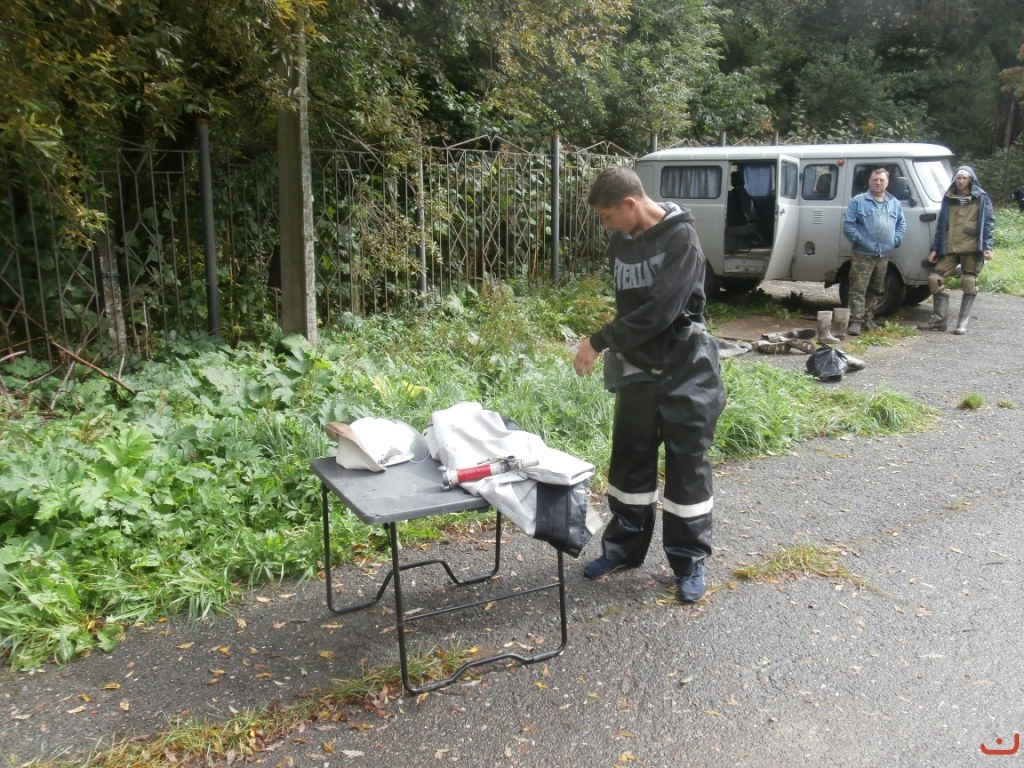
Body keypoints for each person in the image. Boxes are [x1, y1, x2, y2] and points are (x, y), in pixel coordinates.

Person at [572, 166, 726, 603]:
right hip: (637, 367)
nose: (606, 226)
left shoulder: (682, 240)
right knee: (630, 463)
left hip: (686, 365)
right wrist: (618, 344)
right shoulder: (620, 242)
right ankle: (622, 550)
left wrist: (599, 340)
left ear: (630, 204)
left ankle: (689, 561)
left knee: (687, 468)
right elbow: (630, 308)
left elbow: (660, 311)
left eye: (607, 217)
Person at [917, 165, 995, 335]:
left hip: (971, 247)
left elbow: (988, 222)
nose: (961, 181)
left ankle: (962, 323)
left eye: (964, 178)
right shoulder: (949, 197)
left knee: (969, 282)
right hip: (949, 246)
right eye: (958, 178)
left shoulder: (981, 197)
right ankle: (939, 320)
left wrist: (987, 246)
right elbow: (941, 225)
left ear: (970, 180)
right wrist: (935, 248)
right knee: (934, 279)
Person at [841, 168, 907, 336]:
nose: (878, 183)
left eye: (881, 180)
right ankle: (856, 320)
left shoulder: (894, 203)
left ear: (887, 182)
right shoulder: (858, 201)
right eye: (875, 180)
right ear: (869, 181)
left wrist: (895, 240)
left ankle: (868, 319)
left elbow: (901, 223)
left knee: (877, 288)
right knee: (858, 288)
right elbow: (848, 225)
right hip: (863, 253)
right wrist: (861, 240)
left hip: (883, 254)